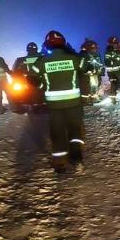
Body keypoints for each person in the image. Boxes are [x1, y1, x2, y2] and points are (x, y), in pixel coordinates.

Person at [31, 30, 87, 172]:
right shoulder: (74, 58)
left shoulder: (42, 61)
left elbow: (32, 78)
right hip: (73, 103)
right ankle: (77, 160)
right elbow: (86, 69)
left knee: (57, 132)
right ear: (63, 43)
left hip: (54, 104)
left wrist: (43, 86)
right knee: (75, 130)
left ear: (47, 45)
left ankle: (60, 163)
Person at [79, 38, 104, 102]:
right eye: (93, 48)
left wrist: (101, 70)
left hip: (95, 74)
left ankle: (94, 97)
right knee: (90, 86)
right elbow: (81, 66)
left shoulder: (96, 55)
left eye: (95, 48)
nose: (95, 49)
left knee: (95, 85)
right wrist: (86, 71)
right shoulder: (84, 55)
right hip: (88, 75)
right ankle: (90, 99)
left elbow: (100, 63)